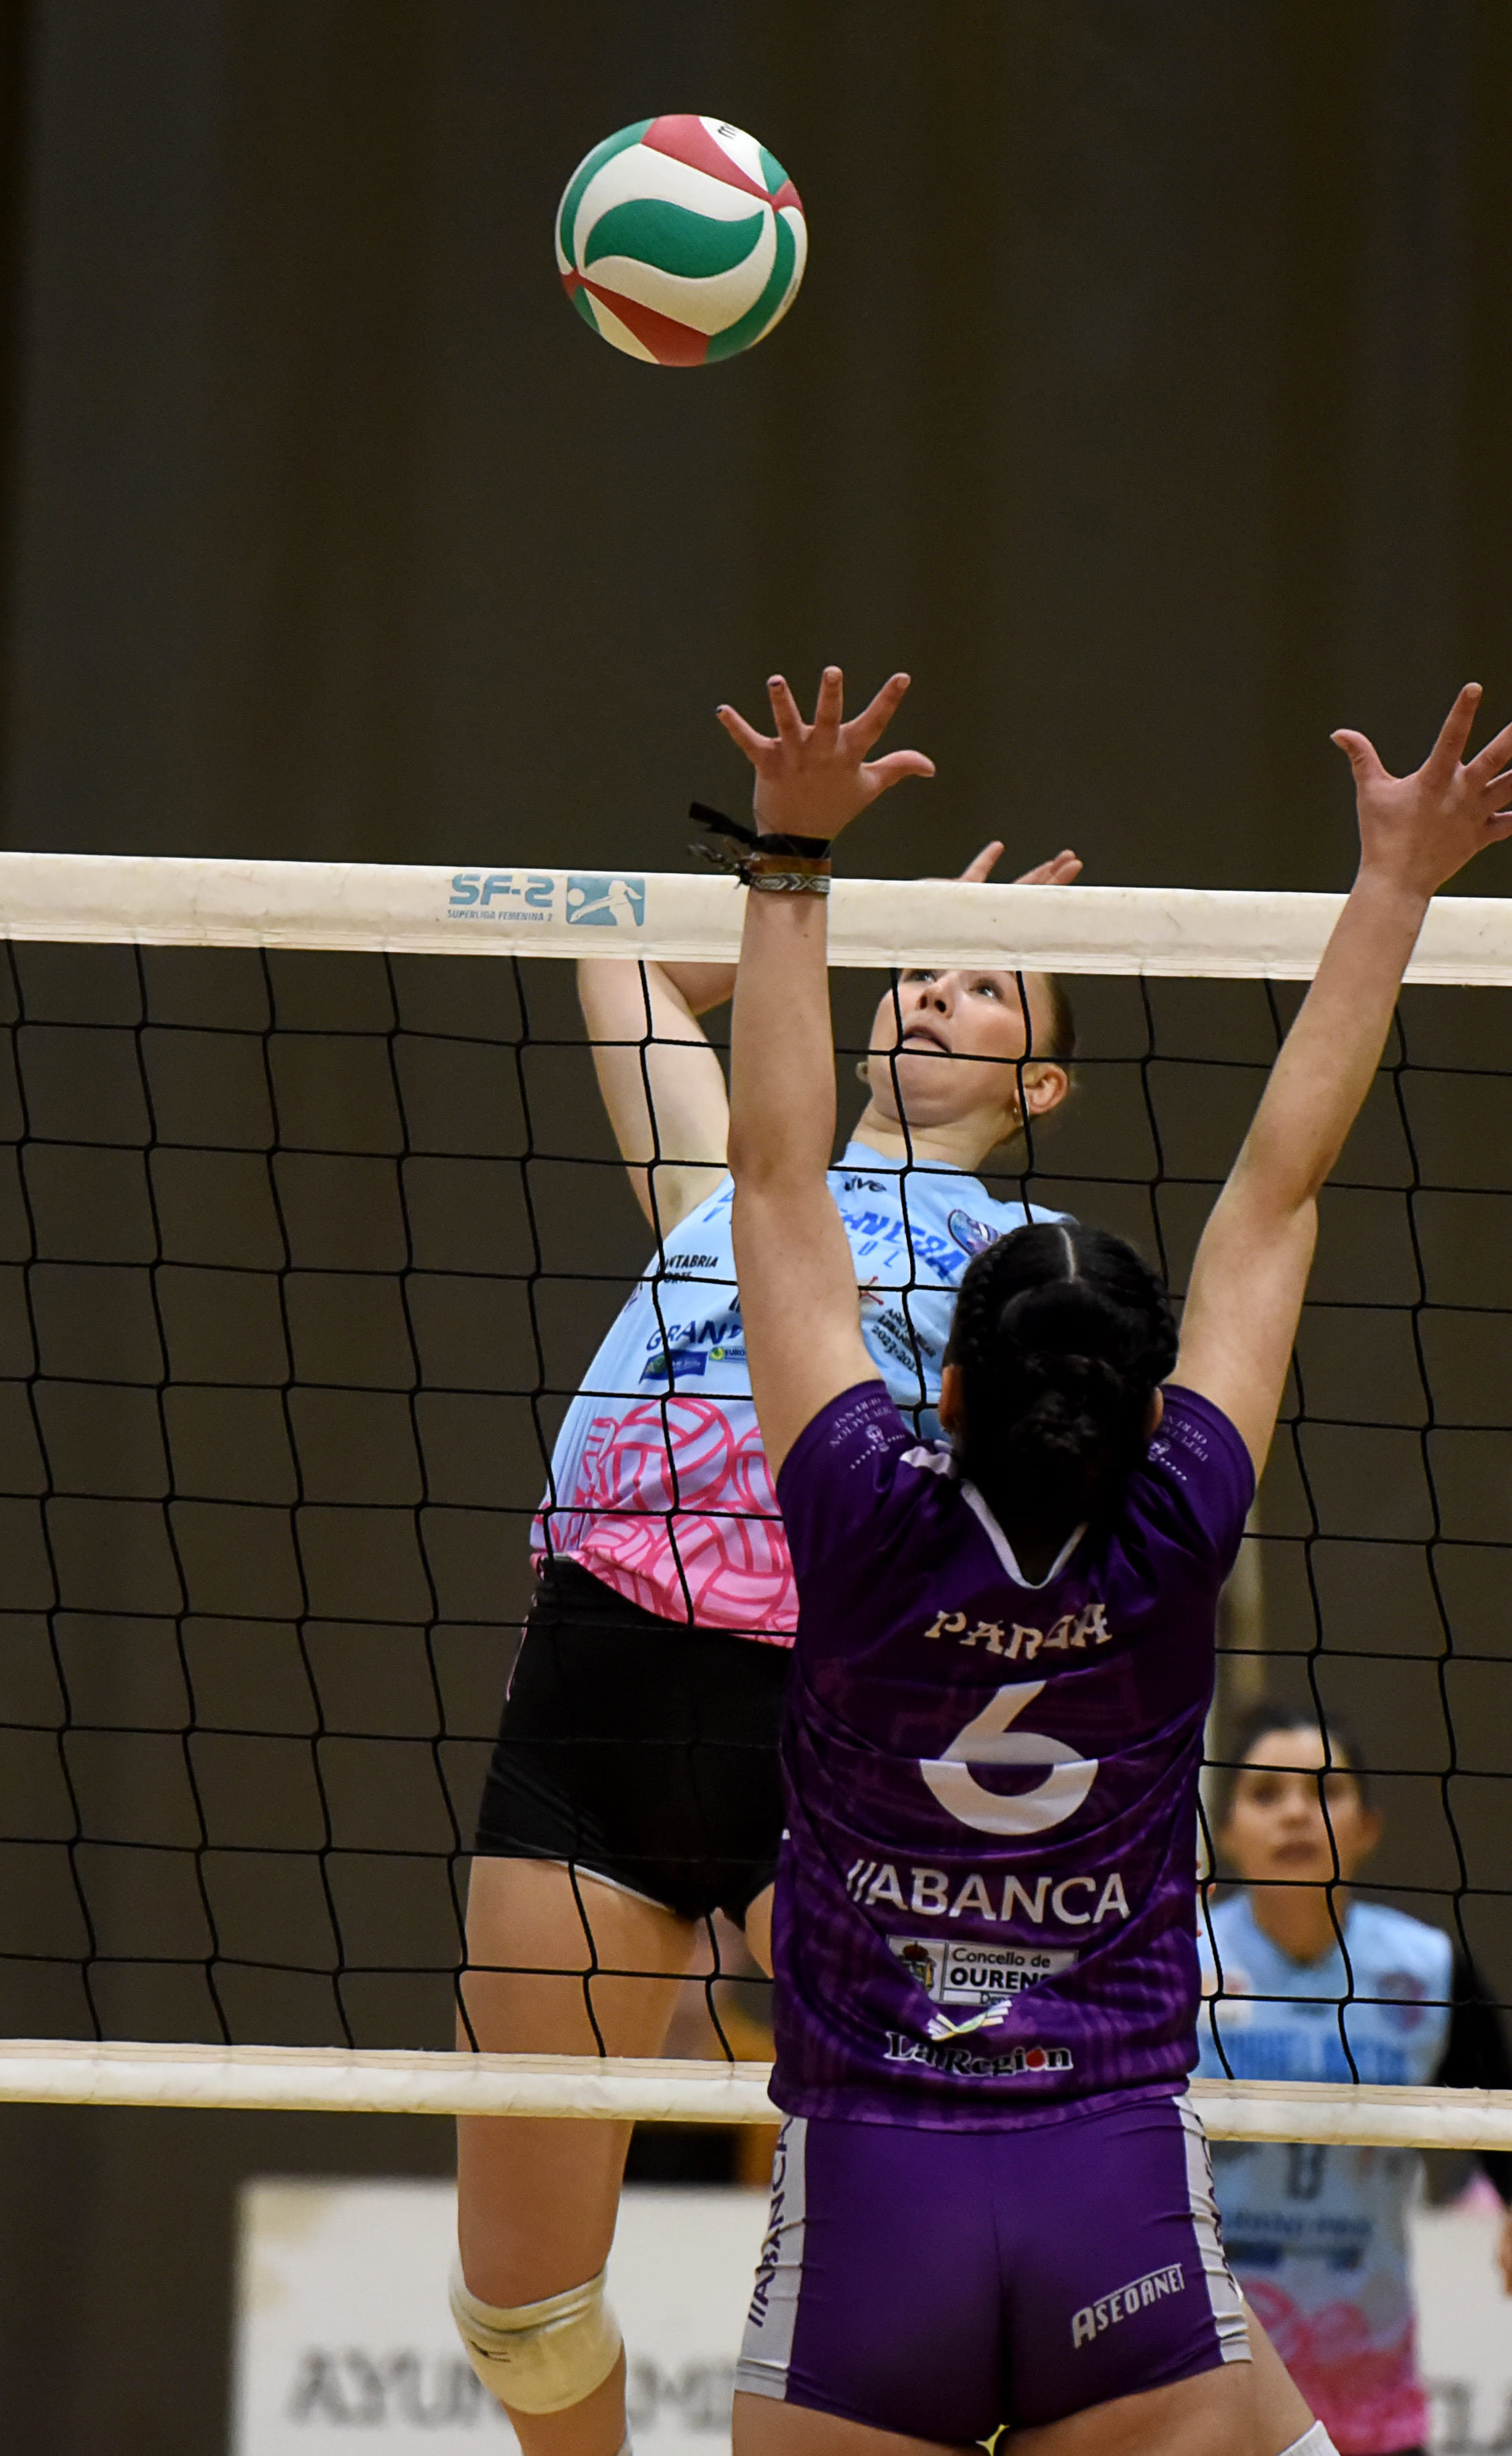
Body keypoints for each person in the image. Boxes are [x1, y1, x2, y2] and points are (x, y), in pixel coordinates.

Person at [717, 663, 1512, 2455]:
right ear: (1148, 1399)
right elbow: (1276, 1196)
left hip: (870, 2196)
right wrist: (1394, 885)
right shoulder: (1180, 1521)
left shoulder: (858, 1507)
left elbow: (777, 1181)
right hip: (1109, 2186)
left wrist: (790, 856)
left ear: (943, 1386)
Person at [451, 832, 1083, 2456]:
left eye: (987, 987)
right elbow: (622, 954)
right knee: (517, 2306)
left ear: (1044, 1083)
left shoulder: (1036, 1261)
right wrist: (848, 916)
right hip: (594, 1703)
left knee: (944, 2242)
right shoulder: (726, 1179)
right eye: (921, 973)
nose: (935, 993)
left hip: (841, 1737)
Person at [1198, 1700, 1512, 2456]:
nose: (1296, 1813)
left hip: (1366, 2378)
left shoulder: (1425, 1967)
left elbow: (1507, 2110)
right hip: (1208, 2369)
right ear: (1226, 1830)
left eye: (1324, 1790)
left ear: (1368, 1826)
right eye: (1266, 1793)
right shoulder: (1178, 1960)